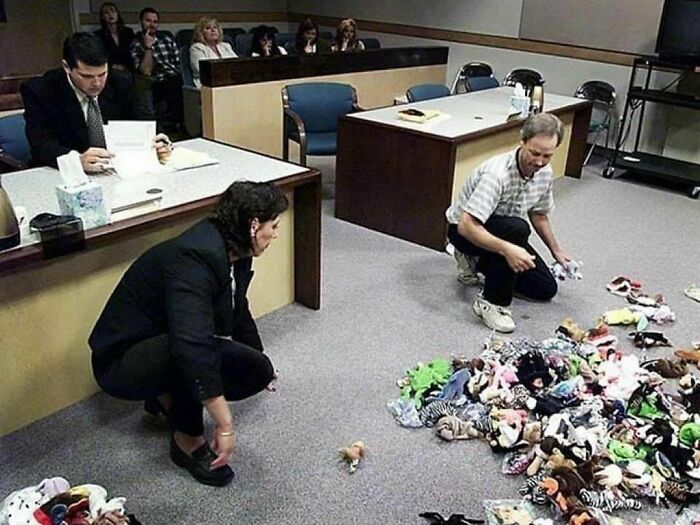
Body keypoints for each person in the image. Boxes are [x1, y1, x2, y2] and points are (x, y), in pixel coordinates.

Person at [89, 181, 286, 487]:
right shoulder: (195, 258)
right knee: (194, 352)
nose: (275, 234)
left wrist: (260, 358)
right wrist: (224, 425)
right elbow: (192, 344)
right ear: (253, 225)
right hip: (120, 360)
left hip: (162, 339)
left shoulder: (234, 247)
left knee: (255, 369)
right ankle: (187, 441)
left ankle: (164, 396)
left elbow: (237, 306)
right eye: (273, 226)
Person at [445, 113, 572, 333]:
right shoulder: (496, 175)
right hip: (463, 232)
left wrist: (556, 251)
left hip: (504, 231)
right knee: (517, 230)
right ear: (522, 141)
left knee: (545, 288)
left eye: (547, 156)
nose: (540, 161)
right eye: (534, 152)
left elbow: (539, 215)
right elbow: (466, 225)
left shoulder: (544, 172)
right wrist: (508, 249)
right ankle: (492, 303)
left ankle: (477, 261)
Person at [21, 32, 171, 172]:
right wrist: (77, 160)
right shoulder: (40, 91)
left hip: (118, 170)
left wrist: (159, 141)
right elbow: (41, 144)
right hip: (65, 175)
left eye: (102, 74)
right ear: (67, 67)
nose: (97, 83)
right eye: (86, 76)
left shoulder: (122, 82)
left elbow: (145, 120)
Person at [130, 7, 183, 130]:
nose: (152, 24)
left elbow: (177, 62)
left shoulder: (166, 39)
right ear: (141, 22)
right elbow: (145, 72)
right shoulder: (136, 44)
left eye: (155, 21)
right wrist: (148, 48)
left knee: (179, 83)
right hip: (154, 81)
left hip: (173, 77)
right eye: (148, 21)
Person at [189, 17, 237, 89]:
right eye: (208, 28)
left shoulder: (225, 46)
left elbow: (238, 64)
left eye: (215, 27)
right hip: (208, 85)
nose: (213, 30)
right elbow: (203, 70)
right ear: (201, 33)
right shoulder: (196, 48)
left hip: (230, 81)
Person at [93, 2, 134, 72]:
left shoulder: (128, 32)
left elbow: (133, 52)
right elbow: (99, 56)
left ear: (117, 14)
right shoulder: (98, 35)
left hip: (128, 69)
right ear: (102, 17)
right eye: (106, 12)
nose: (110, 15)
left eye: (113, 11)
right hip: (110, 71)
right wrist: (112, 66)